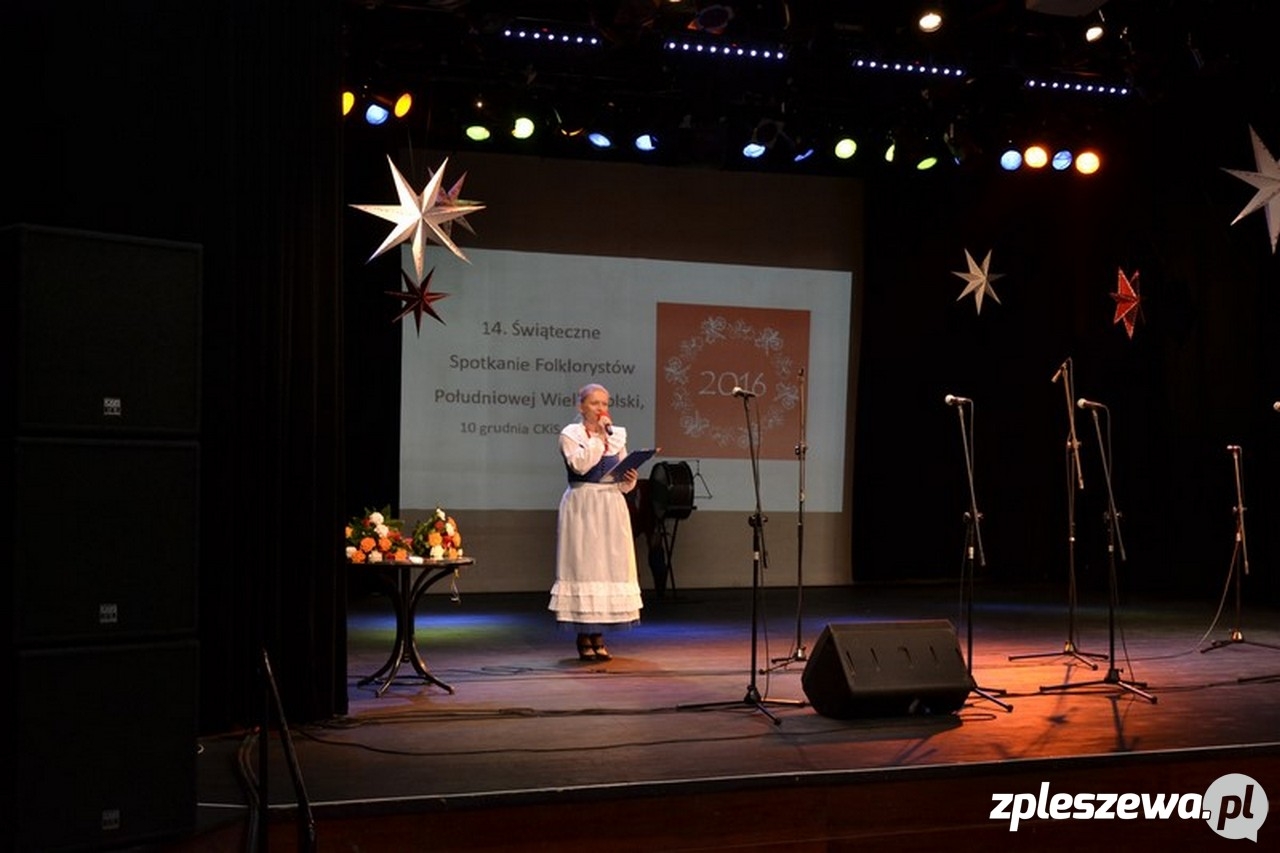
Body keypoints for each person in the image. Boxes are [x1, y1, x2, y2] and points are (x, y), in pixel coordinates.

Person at [548, 383, 643, 661]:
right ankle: (584, 634)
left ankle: (599, 633)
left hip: (610, 505)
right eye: (595, 403)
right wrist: (598, 438)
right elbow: (580, 465)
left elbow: (621, 479)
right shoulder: (571, 434)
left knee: (608, 568)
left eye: (605, 403)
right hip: (583, 504)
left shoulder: (617, 436)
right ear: (581, 406)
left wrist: (629, 479)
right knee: (585, 566)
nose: (601, 409)